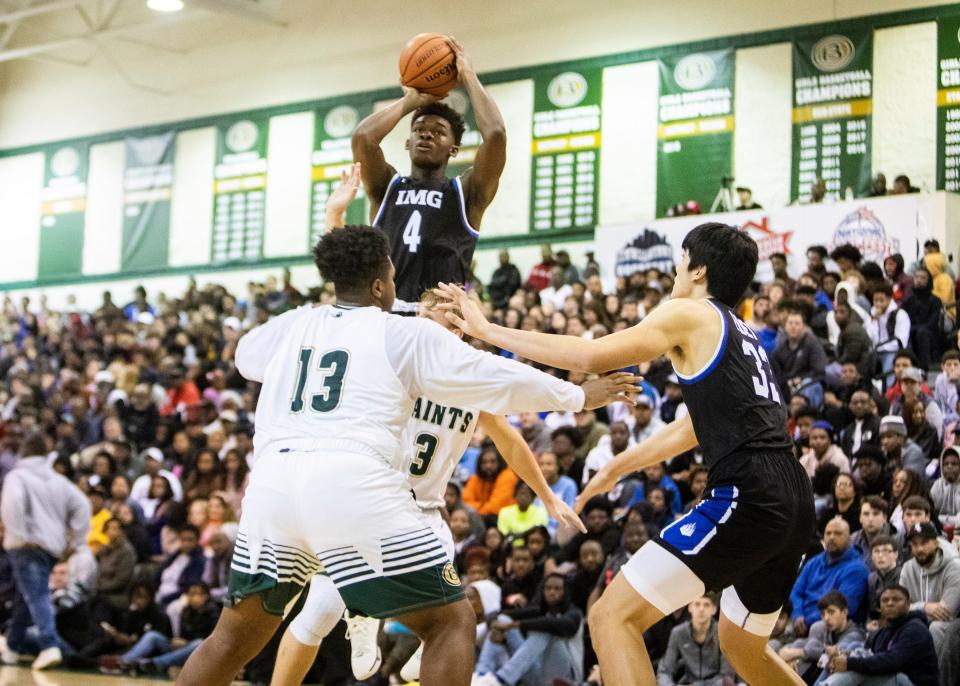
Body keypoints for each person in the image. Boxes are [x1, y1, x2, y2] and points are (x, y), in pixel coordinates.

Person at [175, 224, 632, 686]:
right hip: (350, 484)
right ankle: (366, 614)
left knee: (232, 637)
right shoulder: (404, 334)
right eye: (392, 275)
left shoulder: (296, 323)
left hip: (272, 486)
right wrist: (577, 396)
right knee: (450, 622)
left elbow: (246, 358)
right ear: (379, 284)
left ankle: (364, 615)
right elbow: (493, 374)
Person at [438, 222, 817, 685]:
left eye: (681, 261)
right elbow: (694, 427)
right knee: (742, 645)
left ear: (697, 270)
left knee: (610, 617)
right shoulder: (744, 335)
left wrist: (487, 328)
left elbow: (591, 356)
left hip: (749, 491)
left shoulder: (689, 311)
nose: (677, 270)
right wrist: (618, 465)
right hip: (792, 495)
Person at [351, 39, 505, 314]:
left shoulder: (466, 193)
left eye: (439, 131)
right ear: (408, 143)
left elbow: (495, 135)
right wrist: (411, 101)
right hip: (385, 314)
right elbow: (363, 138)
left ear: (453, 149)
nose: (426, 133)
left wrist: (468, 75)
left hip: (437, 317)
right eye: (419, 129)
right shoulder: (386, 186)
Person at [0, 431, 91, 671]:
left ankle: (49, 645)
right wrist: (75, 539)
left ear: (24, 452)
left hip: (26, 545)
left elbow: (12, 503)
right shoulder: (58, 480)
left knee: (37, 595)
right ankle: (12, 645)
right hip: (52, 547)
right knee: (24, 597)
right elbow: (83, 505)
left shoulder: (17, 476)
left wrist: (19, 534)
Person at [473, 573, 584, 686]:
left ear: (566, 591)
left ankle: (502, 679)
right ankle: (482, 673)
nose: (552, 592)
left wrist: (516, 625)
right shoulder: (540, 610)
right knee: (503, 620)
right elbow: (494, 614)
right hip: (537, 675)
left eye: (557, 589)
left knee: (545, 627)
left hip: (564, 678)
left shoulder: (574, 613)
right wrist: (495, 624)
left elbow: (560, 624)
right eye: (548, 588)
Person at [822, 585, 938, 686]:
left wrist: (849, 663)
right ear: (880, 607)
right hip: (892, 679)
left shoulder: (915, 629)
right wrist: (843, 656)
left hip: (913, 682)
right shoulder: (881, 632)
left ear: (908, 604)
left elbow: (892, 662)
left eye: (896, 599)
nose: (890, 603)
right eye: (885, 600)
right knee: (846, 661)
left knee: (859, 670)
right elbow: (869, 656)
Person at [790, 519, 869, 632]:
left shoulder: (857, 569)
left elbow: (843, 607)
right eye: (828, 533)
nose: (832, 537)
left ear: (849, 538)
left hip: (831, 630)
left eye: (838, 533)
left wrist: (806, 622)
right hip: (799, 622)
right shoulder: (814, 562)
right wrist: (797, 614)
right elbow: (796, 591)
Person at [898, 521, 960, 652]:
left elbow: (947, 613)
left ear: (936, 543)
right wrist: (924, 607)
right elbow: (899, 607)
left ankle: (937, 672)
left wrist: (912, 608)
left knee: (936, 627)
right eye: (915, 544)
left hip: (950, 625)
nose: (919, 548)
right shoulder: (908, 567)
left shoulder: (954, 567)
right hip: (918, 621)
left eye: (924, 543)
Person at [777, 591, 864, 682]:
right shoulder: (820, 627)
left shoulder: (855, 635)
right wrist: (792, 658)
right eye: (823, 614)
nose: (826, 618)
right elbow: (810, 646)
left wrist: (796, 653)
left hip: (837, 678)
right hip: (814, 673)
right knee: (798, 646)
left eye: (831, 612)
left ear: (844, 612)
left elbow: (833, 655)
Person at [656, 593, 734, 686]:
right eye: (697, 604)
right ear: (690, 607)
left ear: (714, 609)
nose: (701, 609)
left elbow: (726, 676)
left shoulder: (722, 633)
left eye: (706, 605)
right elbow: (665, 670)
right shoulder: (678, 633)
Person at [772, 309, 827, 409]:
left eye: (797, 323)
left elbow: (820, 371)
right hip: (787, 387)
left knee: (811, 386)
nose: (793, 326)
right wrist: (789, 382)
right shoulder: (780, 349)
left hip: (808, 384)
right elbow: (777, 374)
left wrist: (801, 379)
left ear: (804, 327)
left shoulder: (812, 344)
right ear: (785, 327)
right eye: (790, 323)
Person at [865, 284, 910, 386]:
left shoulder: (900, 314)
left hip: (893, 351)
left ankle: (889, 389)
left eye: (881, 300)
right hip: (876, 350)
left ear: (889, 299)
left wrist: (881, 347)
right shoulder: (872, 315)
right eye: (875, 300)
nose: (878, 304)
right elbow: (869, 337)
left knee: (889, 361)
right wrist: (874, 321)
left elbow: (900, 341)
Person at [900, 267, 942, 370]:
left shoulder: (935, 300)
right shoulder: (908, 300)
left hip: (930, 333)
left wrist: (915, 328)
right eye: (917, 277)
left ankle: (923, 369)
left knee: (922, 332)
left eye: (923, 278)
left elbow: (933, 322)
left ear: (928, 281)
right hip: (912, 330)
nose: (919, 280)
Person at [850, 496, 899, 568]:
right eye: (866, 514)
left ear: (885, 518)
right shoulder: (852, 539)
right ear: (860, 518)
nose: (870, 519)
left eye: (875, 514)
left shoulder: (896, 539)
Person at [878, 416, 926, 480]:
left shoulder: (914, 452)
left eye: (889, 436)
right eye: (882, 438)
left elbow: (908, 481)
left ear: (901, 437)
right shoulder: (884, 452)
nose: (885, 442)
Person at [866, 535, 902, 619]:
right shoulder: (871, 578)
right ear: (871, 556)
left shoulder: (903, 574)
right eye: (876, 551)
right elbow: (871, 607)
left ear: (895, 554)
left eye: (886, 551)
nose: (880, 555)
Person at [931, 447, 960, 528]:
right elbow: (929, 513)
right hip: (939, 529)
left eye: (954, 464)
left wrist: (939, 518)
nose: (949, 467)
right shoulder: (938, 485)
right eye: (945, 464)